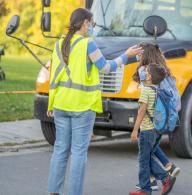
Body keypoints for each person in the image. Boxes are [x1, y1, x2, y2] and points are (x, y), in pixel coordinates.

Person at [46, 8, 142, 195]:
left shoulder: (58, 45)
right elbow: (106, 67)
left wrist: (51, 104)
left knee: (60, 151)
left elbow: (54, 77)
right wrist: (127, 55)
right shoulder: (88, 44)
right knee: (78, 152)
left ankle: (53, 192)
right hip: (82, 105)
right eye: (92, 23)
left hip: (60, 104)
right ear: (84, 23)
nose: (93, 27)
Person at [133, 42, 181, 191]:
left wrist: (135, 128)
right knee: (150, 150)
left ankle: (162, 177)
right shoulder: (164, 71)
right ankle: (162, 172)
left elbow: (143, 104)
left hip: (150, 122)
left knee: (144, 155)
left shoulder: (145, 71)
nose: (137, 56)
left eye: (139, 53)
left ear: (144, 54)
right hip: (166, 119)